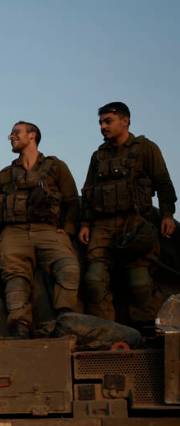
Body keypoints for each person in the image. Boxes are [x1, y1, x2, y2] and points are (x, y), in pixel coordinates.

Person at [80, 101, 177, 325]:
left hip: (136, 222)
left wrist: (167, 215)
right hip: (103, 225)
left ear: (125, 121)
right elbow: (88, 191)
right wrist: (85, 223)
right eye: (101, 123)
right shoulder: (98, 156)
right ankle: (107, 333)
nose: (103, 127)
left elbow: (163, 183)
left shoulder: (145, 148)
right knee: (94, 280)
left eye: (108, 121)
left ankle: (147, 330)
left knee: (140, 283)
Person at [0, 122, 80, 338]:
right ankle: (20, 325)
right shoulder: (5, 174)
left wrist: (67, 230)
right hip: (13, 232)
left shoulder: (56, 167)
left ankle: (65, 320)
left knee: (68, 267)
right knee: (15, 277)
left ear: (32, 135)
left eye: (16, 132)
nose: (11, 136)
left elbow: (72, 201)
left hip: (48, 230)